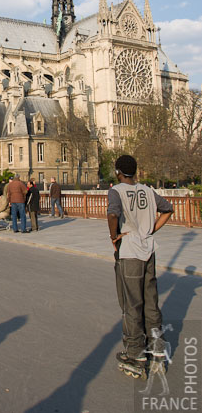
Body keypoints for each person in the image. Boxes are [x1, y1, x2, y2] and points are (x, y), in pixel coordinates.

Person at [107, 154, 173, 375]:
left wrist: (114, 236)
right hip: (148, 249)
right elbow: (167, 209)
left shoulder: (117, 190)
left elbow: (113, 213)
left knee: (132, 304)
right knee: (150, 302)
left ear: (118, 171)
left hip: (130, 251)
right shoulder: (146, 190)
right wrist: (151, 229)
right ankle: (157, 350)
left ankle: (135, 354)